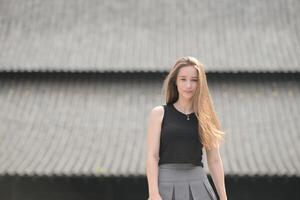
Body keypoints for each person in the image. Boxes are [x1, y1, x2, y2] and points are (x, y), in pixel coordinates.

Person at [146, 56, 227, 200]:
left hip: (199, 186)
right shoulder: (159, 113)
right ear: (175, 81)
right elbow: (152, 156)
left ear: (200, 83)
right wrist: (153, 193)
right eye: (183, 79)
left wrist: (223, 197)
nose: (188, 85)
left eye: (194, 80)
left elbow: (214, 160)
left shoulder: (207, 118)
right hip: (165, 186)